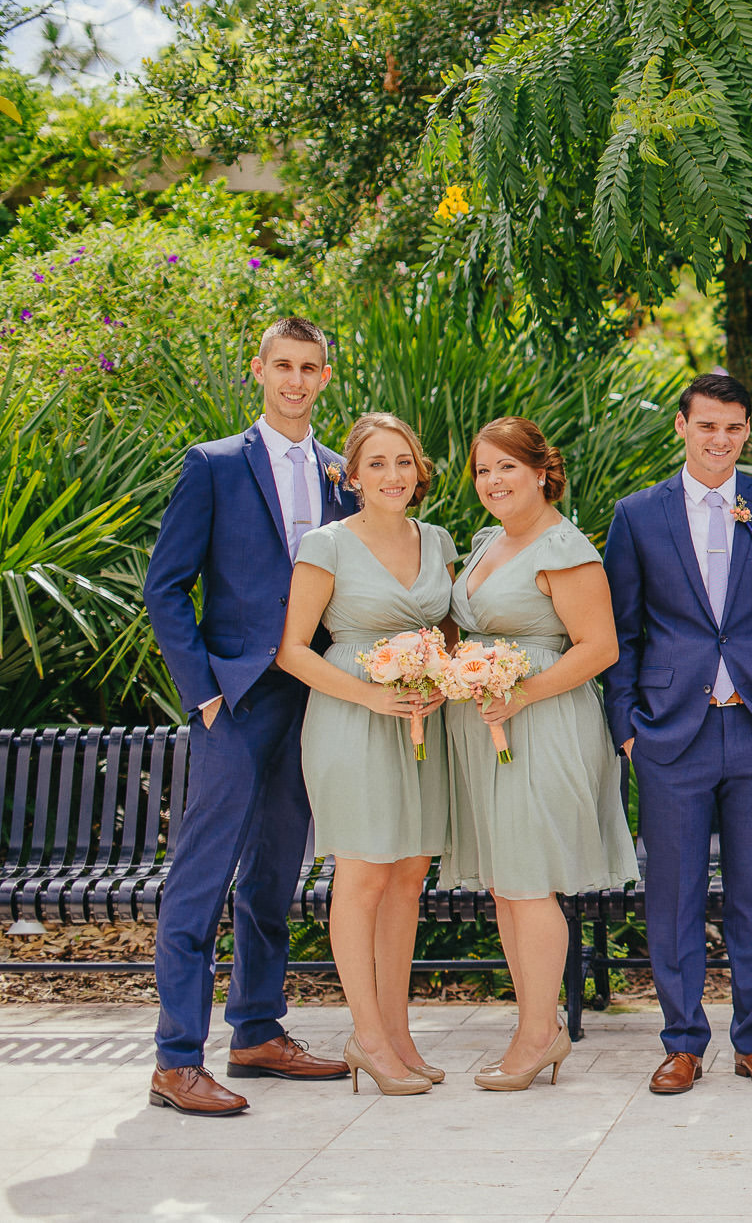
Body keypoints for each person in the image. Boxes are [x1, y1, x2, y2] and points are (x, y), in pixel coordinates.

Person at [141, 316, 356, 1116]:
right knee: (202, 874)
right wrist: (202, 691)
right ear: (259, 371)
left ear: (325, 377)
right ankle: (173, 1058)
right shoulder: (216, 466)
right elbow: (167, 587)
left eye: (310, 368)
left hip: (313, 696)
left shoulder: (343, 475)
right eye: (283, 367)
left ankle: (258, 1029)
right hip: (233, 697)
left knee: (276, 873)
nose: (296, 381)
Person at [604, 374, 752, 1096]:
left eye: (733, 427)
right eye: (707, 426)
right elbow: (624, 634)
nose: (719, 439)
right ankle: (681, 1041)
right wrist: (629, 729)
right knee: (673, 891)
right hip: (671, 731)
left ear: (747, 430)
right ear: (681, 425)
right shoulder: (638, 515)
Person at [446, 417, 637, 1091]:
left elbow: (599, 647)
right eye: (483, 470)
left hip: (544, 723)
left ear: (539, 470)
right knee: (507, 883)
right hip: (486, 726)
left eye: (506, 468)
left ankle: (538, 1035)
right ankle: (535, 1023)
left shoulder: (565, 549)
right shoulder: (486, 543)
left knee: (530, 882)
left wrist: (520, 692)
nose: (493, 482)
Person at [276, 412, 457, 1096]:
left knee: (410, 873)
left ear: (419, 471)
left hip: (419, 722)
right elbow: (292, 649)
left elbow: (440, 630)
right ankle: (367, 1036)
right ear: (351, 476)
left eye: (404, 461)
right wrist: (370, 695)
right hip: (352, 721)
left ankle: (398, 1030)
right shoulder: (326, 545)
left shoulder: (437, 540)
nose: (393, 475)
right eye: (377, 463)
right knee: (364, 876)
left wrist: (439, 678)